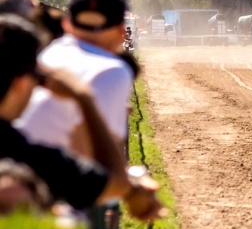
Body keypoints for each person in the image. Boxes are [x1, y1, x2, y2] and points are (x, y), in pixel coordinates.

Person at [0, 14, 163, 218]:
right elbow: (114, 183)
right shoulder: (21, 151)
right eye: (38, 78)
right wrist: (84, 98)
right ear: (21, 83)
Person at [16, 0, 134, 157]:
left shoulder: (50, 53)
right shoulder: (111, 70)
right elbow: (97, 168)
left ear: (67, 23)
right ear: (121, 30)